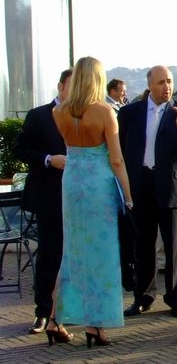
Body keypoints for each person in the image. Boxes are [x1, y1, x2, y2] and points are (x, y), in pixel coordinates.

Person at [51, 56, 133, 347]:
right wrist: (128, 195)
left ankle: (55, 319)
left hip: (72, 182)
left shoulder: (59, 111)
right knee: (102, 255)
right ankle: (96, 325)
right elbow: (117, 159)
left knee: (72, 252)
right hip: (98, 185)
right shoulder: (105, 112)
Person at [119, 65, 177, 318]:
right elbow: (120, 149)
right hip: (140, 187)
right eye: (162, 82)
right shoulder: (130, 112)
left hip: (172, 188)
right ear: (150, 85)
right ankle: (143, 297)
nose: (167, 87)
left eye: (170, 81)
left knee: (175, 248)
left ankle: (176, 298)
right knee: (143, 246)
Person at [13, 69, 71, 335]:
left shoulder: (85, 115)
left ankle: (68, 310)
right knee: (49, 253)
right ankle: (43, 312)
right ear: (60, 86)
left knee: (75, 254)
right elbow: (20, 148)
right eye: (72, 85)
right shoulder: (39, 115)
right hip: (49, 196)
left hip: (79, 196)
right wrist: (48, 159)